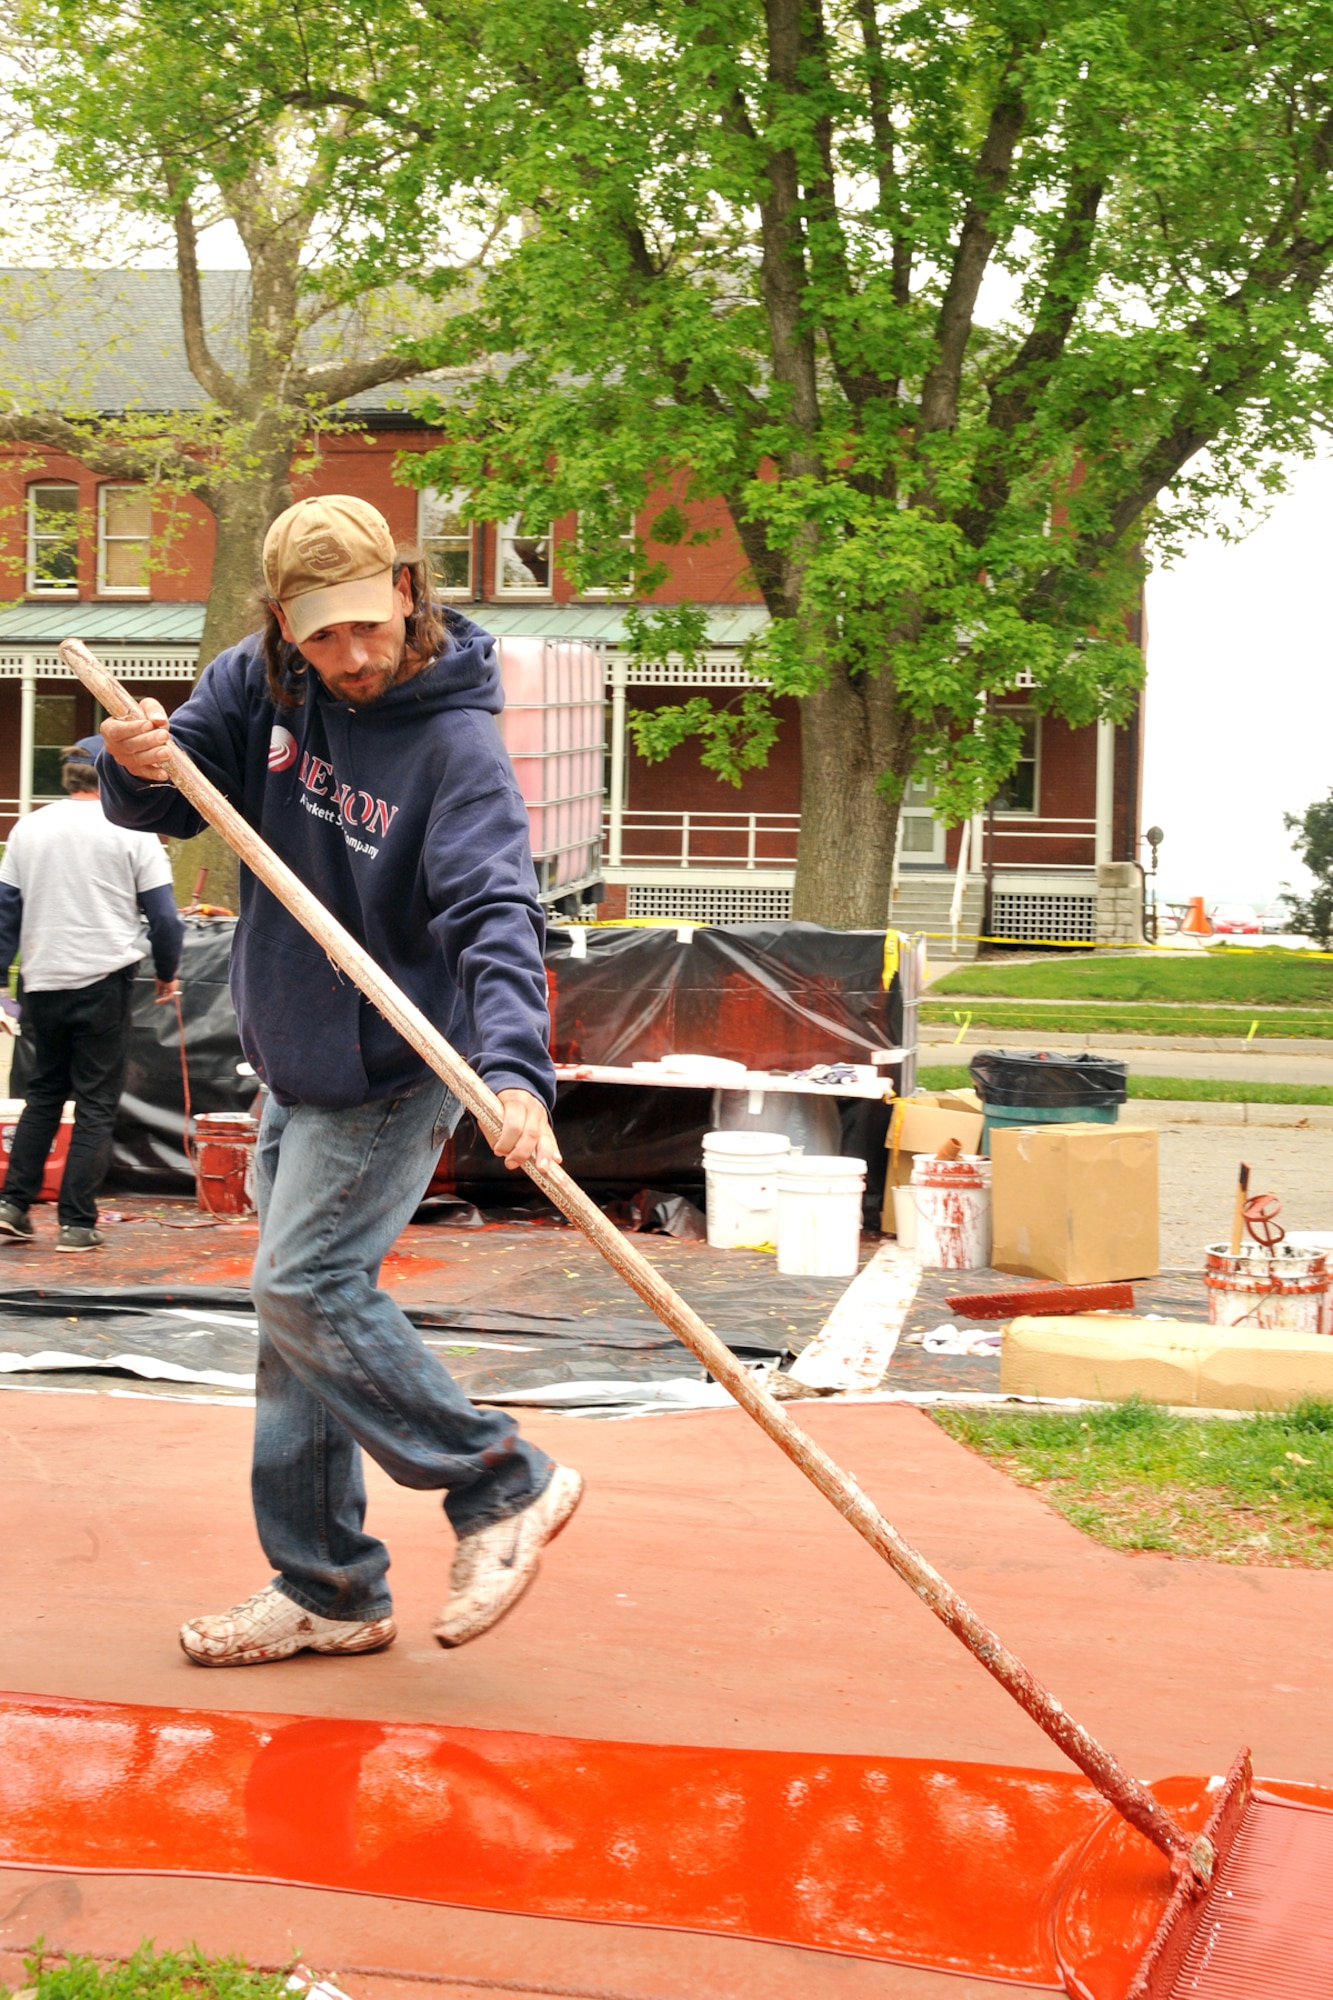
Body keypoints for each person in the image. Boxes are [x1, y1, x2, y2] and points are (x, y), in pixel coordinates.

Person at [97, 493, 582, 1668]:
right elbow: (174, 797)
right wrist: (131, 764)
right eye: (325, 637)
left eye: (369, 625)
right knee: (298, 1327)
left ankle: (500, 1479)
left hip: (394, 1061)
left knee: (303, 1283)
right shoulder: (256, 681)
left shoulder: (452, 741)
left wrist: (514, 1070)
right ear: (284, 625)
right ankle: (326, 1586)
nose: (354, 656)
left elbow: (493, 912)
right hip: (297, 1059)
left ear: (405, 592)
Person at [0, 738, 184, 1253]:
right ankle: (76, 1223)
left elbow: (5, 913)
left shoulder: (27, 828)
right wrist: (168, 971)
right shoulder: (134, 828)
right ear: (109, 774)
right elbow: (165, 918)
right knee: (96, 1104)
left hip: (41, 981)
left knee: (42, 1098)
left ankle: (12, 1205)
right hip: (104, 979)